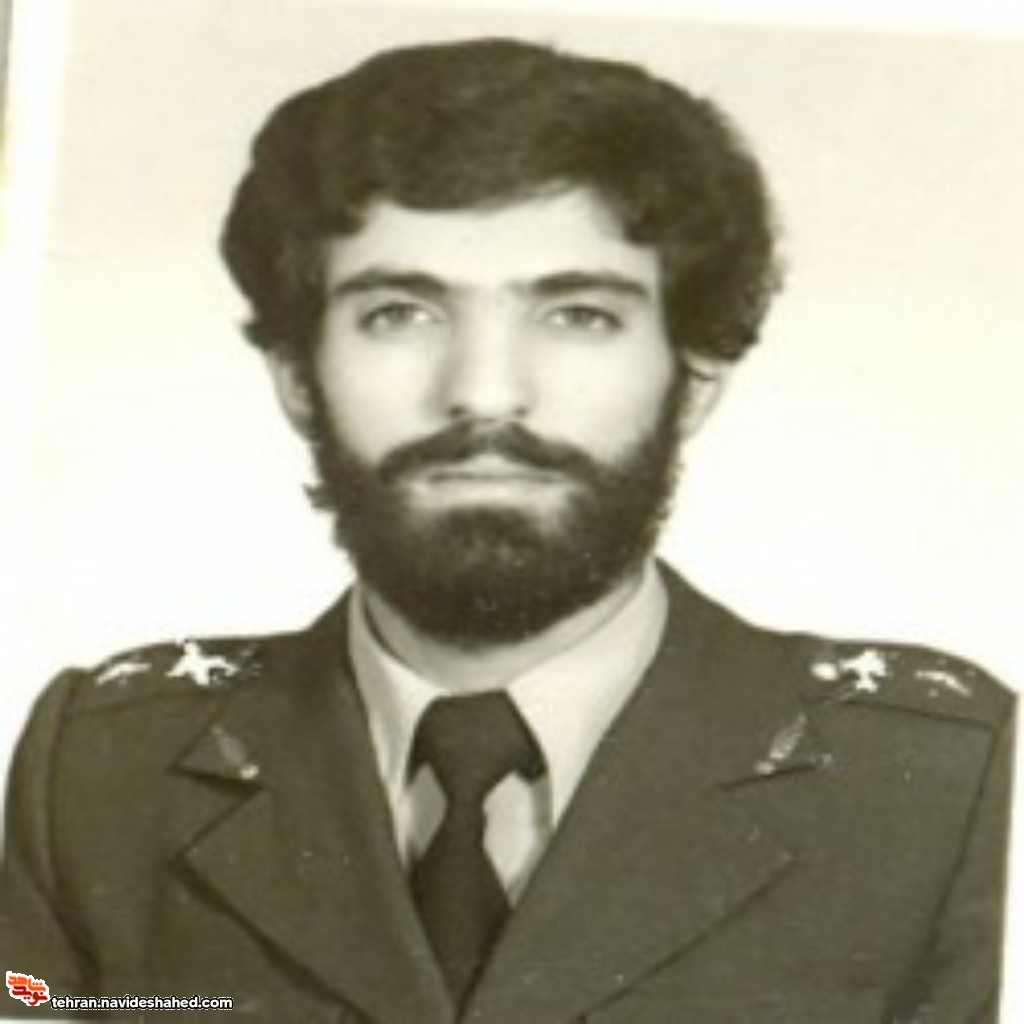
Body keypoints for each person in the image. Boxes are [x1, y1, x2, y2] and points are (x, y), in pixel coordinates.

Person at [0, 37, 1014, 1024]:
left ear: (695, 376)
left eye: (578, 314)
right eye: (400, 312)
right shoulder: (100, 770)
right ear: (298, 378)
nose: (484, 393)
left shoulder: (952, 787)